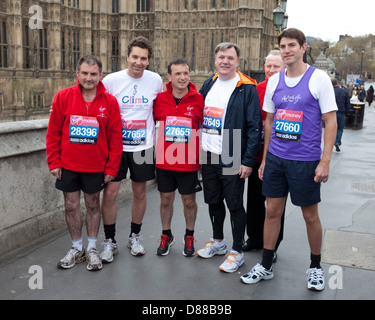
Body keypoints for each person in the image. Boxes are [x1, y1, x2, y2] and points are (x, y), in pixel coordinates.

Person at [240, 28, 337, 291]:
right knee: (272, 212)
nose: (287, 50)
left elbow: (330, 121)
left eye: (292, 45)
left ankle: (315, 266)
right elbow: (269, 122)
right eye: (283, 46)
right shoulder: (274, 81)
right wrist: (264, 159)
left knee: (309, 216)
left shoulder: (318, 79)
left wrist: (325, 160)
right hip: (276, 159)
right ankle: (266, 264)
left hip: (305, 161)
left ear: (303, 48)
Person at [46, 55, 123, 271]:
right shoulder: (63, 97)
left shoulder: (110, 102)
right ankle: (76, 247)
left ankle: (91, 248)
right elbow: (53, 133)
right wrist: (54, 161)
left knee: (92, 205)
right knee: (70, 205)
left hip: (96, 166)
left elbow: (116, 139)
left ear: (100, 75)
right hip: (68, 165)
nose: (89, 78)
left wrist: (111, 167)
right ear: (77, 74)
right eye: (85, 73)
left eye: (93, 74)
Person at [196, 42, 262, 273]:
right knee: (213, 200)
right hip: (208, 152)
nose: (225, 61)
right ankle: (218, 241)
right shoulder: (209, 83)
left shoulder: (247, 87)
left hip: (232, 150)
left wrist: (247, 160)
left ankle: (237, 251)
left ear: (237, 61)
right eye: (221, 57)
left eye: (230, 58)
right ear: (215, 60)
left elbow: (255, 127)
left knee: (234, 203)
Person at [100, 37, 163, 262]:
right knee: (110, 194)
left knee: (139, 193)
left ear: (148, 60)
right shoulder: (111, 81)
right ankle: (110, 240)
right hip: (115, 148)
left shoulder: (155, 80)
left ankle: (134, 236)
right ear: (127, 57)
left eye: (143, 58)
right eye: (135, 57)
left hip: (143, 147)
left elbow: (161, 110)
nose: (138, 62)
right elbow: (94, 103)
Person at [153, 58, 204, 257]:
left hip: (189, 162)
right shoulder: (159, 100)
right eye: (178, 74)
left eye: (185, 73)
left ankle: (189, 236)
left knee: (189, 201)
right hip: (165, 160)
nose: (182, 78)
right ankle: (166, 234)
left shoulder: (199, 100)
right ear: (169, 77)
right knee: (166, 200)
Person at [243, 50, 286, 261]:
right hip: (257, 156)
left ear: (284, 67)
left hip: (279, 158)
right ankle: (254, 238)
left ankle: (273, 244)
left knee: (276, 205)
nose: (270, 70)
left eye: (275, 66)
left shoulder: (288, 89)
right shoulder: (256, 89)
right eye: (268, 66)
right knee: (254, 201)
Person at [332, 78, 350, 152]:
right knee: (340, 128)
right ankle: (337, 142)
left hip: (331, 112)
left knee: (330, 128)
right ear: (338, 83)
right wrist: (347, 113)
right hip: (341, 112)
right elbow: (348, 104)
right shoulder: (344, 92)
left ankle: (329, 143)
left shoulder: (329, 91)